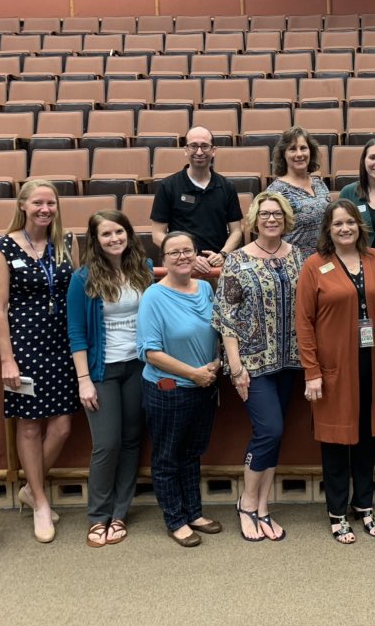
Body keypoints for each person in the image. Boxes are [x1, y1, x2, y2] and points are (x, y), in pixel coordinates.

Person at [296, 200, 375, 544]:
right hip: (333, 368)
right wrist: (311, 371)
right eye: (337, 224)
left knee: (368, 436)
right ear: (328, 229)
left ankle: (365, 505)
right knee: (336, 441)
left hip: (372, 363)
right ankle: (337, 512)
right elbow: (305, 323)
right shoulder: (315, 265)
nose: (345, 229)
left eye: (350, 223)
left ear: (360, 226)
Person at [0, 179, 78, 544]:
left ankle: (29, 487)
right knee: (29, 426)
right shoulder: (3, 248)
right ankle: (40, 501)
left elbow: (79, 286)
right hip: (24, 346)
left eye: (51, 203)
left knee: (62, 427)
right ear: (23, 205)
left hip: (63, 343)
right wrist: (7, 360)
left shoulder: (67, 243)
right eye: (38, 202)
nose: (45, 209)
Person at [213, 191, 306, 542]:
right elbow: (226, 318)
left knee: (276, 434)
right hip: (252, 364)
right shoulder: (237, 260)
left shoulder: (298, 256)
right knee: (269, 431)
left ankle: (263, 506)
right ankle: (247, 504)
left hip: (289, 363)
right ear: (254, 220)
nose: (271, 219)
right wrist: (235, 369)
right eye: (265, 214)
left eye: (277, 214)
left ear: (286, 220)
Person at [66, 210, 154, 548]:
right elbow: (76, 333)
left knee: (133, 441)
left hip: (137, 367)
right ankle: (97, 516)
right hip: (102, 371)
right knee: (107, 444)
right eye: (106, 234)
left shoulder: (142, 270)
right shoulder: (83, 278)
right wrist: (83, 379)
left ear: (129, 234)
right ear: (96, 240)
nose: (114, 239)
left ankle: (120, 512)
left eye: (119, 232)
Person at [137, 231, 223, 548]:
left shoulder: (205, 288)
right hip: (169, 388)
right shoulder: (153, 297)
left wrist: (214, 365)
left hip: (205, 385)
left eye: (188, 250)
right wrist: (194, 374)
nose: (182, 257)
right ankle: (175, 519)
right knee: (167, 458)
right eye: (174, 253)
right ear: (164, 260)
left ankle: (194, 513)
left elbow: (217, 329)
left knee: (191, 454)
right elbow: (150, 351)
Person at [149, 126, 243, 276]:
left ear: (213, 150)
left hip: (217, 268)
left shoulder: (227, 186)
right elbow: (157, 234)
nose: (199, 152)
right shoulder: (168, 186)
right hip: (180, 267)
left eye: (205, 146)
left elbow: (236, 231)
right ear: (185, 150)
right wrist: (188, 257)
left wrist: (223, 254)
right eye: (193, 146)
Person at [266, 126, 330, 257]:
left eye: (303, 148)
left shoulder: (319, 184)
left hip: (325, 261)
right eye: (292, 149)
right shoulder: (276, 191)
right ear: (284, 154)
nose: (299, 154)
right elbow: (269, 236)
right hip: (293, 264)